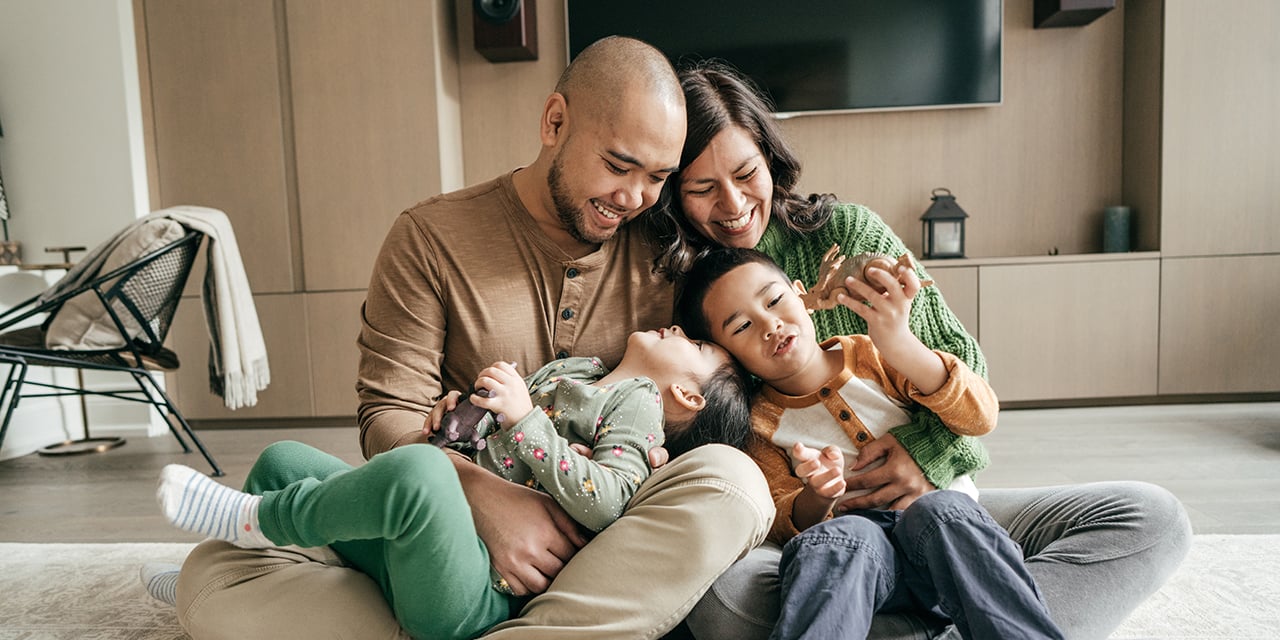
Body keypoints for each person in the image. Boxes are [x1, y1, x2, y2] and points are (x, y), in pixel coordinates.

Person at [167, 38, 774, 640]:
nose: (634, 198)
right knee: (257, 508)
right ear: (554, 121)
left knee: (733, 482)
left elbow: (734, 370)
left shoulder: (667, 250)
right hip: (448, 535)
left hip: (589, 563)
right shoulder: (430, 237)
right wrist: (481, 495)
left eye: (658, 178)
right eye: (618, 166)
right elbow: (388, 414)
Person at [654, 59, 1191, 640]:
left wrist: (919, 454)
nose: (732, 204)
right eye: (702, 189)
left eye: (745, 174)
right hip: (834, 538)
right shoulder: (680, 291)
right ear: (673, 195)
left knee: (1153, 519)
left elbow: (971, 382)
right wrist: (813, 498)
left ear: (769, 158)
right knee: (728, 593)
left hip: (941, 508)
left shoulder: (850, 244)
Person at [154, 324, 751, 639]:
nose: (677, 327)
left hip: (476, 597)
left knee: (417, 474)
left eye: (695, 344)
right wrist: (454, 424)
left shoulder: (637, 405)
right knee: (284, 459)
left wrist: (525, 420)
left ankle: (253, 524)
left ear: (688, 393)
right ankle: (204, 577)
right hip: (426, 550)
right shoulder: (577, 372)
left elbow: (609, 500)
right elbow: (488, 451)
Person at [676, 247, 1064, 640]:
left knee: (943, 510)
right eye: (741, 326)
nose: (770, 325)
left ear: (801, 296)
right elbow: (780, 515)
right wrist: (817, 495)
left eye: (774, 301)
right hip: (863, 569)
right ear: (728, 355)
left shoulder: (874, 354)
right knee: (835, 541)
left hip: (949, 549)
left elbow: (979, 416)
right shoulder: (759, 425)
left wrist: (901, 345)